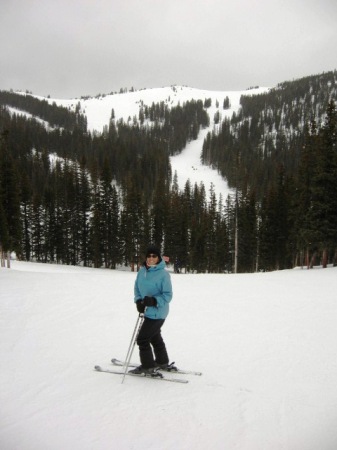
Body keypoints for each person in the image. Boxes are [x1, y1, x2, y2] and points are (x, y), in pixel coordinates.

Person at [129, 245, 173, 375]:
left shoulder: (163, 274)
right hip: (147, 311)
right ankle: (162, 361)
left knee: (142, 339)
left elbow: (168, 295)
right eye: (149, 256)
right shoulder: (142, 271)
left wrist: (154, 301)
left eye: (154, 256)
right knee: (154, 336)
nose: (151, 258)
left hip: (159, 312)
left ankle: (147, 366)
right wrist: (138, 301)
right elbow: (137, 288)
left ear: (158, 258)